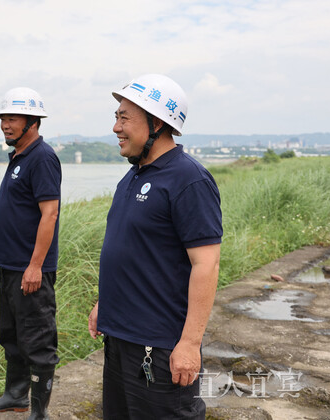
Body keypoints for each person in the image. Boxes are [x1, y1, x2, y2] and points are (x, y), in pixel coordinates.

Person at [88, 74, 222, 419]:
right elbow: (135, 250)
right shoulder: (133, 176)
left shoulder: (188, 179)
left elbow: (206, 264)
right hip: (120, 339)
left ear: (157, 123)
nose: (116, 127)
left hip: (160, 347)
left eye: (124, 118)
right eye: (116, 116)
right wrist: (106, 303)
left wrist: (190, 343)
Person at [0, 87, 61, 420]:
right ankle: (16, 395)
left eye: (12, 118)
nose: (5, 124)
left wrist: (35, 266)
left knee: (37, 340)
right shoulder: (19, 156)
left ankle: (39, 411)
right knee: (11, 335)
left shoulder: (42, 157)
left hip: (30, 269)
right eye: (3, 118)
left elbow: (50, 213)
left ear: (32, 122)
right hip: (11, 266)